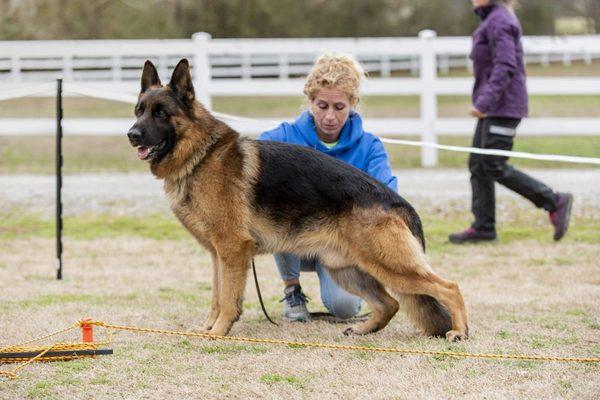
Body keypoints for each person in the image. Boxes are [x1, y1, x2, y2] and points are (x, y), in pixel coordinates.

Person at [258, 53, 398, 321]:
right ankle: (292, 290)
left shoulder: (370, 147)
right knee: (279, 205)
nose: (330, 116)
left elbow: (389, 197)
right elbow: (248, 161)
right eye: (322, 106)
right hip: (298, 243)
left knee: (343, 309)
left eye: (339, 107)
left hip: (346, 246)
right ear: (310, 101)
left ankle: (354, 292)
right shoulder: (285, 136)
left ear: (353, 104)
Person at [449, 0, 573, 244]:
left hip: (502, 107)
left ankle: (554, 201)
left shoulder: (500, 20)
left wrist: (484, 102)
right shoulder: (492, 18)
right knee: (478, 163)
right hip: (494, 107)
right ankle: (484, 227)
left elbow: (505, 65)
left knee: (492, 164)